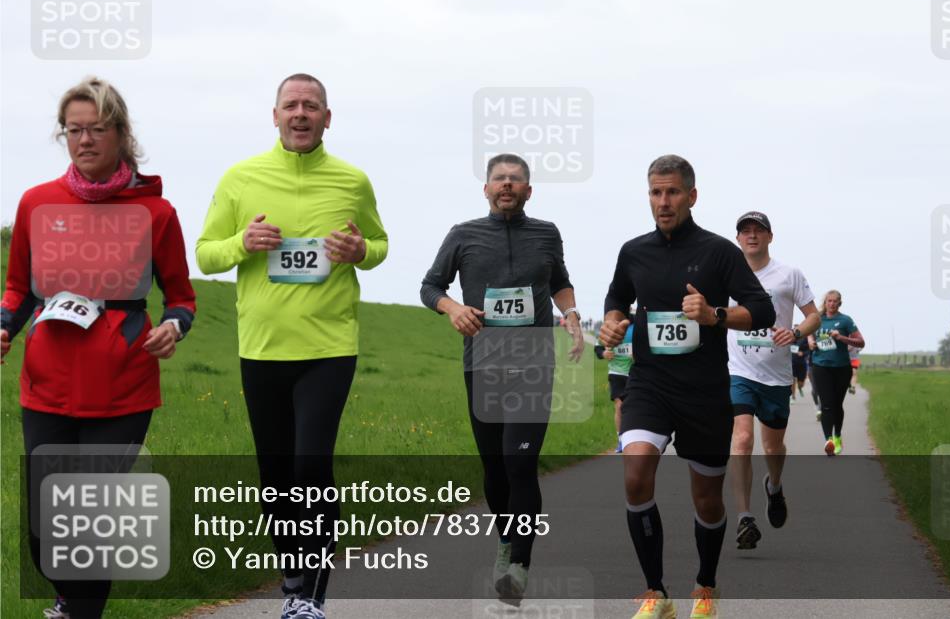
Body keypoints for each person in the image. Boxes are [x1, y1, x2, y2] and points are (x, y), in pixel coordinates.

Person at [1, 76, 196, 619]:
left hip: (123, 387)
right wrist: (4, 327)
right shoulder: (37, 203)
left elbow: (182, 298)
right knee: (47, 530)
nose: (84, 140)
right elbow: (19, 289)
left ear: (121, 133)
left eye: (96, 129)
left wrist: (174, 328)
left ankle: (81, 611)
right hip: (47, 384)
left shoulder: (156, 214)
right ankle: (68, 596)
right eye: (73, 130)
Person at [196, 73, 388, 619]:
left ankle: (308, 595)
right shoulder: (240, 177)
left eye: (311, 106)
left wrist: (359, 249)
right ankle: (293, 571)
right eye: (291, 105)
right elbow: (206, 254)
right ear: (274, 115)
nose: (300, 114)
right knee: (276, 478)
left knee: (311, 467)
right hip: (262, 348)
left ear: (328, 117)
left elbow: (379, 244)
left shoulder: (352, 181)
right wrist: (242, 242)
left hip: (329, 345)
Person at [599, 155, 774, 619]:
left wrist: (715, 314)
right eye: (656, 192)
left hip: (704, 391)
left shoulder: (719, 252)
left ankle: (705, 586)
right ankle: (656, 594)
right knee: (635, 474)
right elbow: (617, 298)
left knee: (707, 498)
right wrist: (614, 323)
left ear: (691, 196)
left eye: (672, 192)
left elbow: (762, 309)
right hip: (650, 384)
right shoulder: (633, 251)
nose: (663, 201)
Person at [420, 153, 584, 606]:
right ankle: (507, 541)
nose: (507, 185)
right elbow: (430, 286)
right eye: (499, 179)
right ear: (486, 189)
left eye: (515, 179)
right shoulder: (463, 235)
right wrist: (453, 309)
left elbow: (561, 281)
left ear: (529, 191)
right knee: (494, 469)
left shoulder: (546, 233)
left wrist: (569, 311)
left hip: (534, 366)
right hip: (483, 365)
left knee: (520, 464)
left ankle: (520, 567)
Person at [725, 212, 820, 550]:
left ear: (769, 236)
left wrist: (794, 333)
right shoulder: (726, 275)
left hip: (777, 376)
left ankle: (774, 486)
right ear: (738, 239)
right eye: (745, 231)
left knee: (773, 447)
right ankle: (744, 518)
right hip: (739, 371)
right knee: (742, 440)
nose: (752, 236)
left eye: (758, 231)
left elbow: (814, 317)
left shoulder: (788, 274)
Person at [808, 290, 865, 456]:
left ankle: (838, 436)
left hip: (841, 368)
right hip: (821, 366)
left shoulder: (845, 321)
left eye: (835, 301)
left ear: (839, 303)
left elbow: (861, 342)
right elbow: (807, 333)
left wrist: (841, 338)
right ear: (825, 302)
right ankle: (829, 441)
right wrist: (811, 341)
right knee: (826, 404)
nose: (831, 304)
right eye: (829, 301)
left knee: (837, 405)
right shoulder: (817, 319)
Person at [596, 311, 635, 452]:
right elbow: (598, 347)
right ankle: (620, 440)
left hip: (634, 372)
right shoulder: (609, 323)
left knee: (633, 407)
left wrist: (638, 353)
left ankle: (633, 438)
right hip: (616, 372)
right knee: (619, 405)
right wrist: (603, 353)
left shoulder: (636, 323)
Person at [791, 334, 809, 401]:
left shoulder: (804, 339)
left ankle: (800, 388)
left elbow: (809, 350)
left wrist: (803, 353)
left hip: (801, 363)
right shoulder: (789, 338)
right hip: (791, 362)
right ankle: (793, 396)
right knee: (792, 380)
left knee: (801, 383)